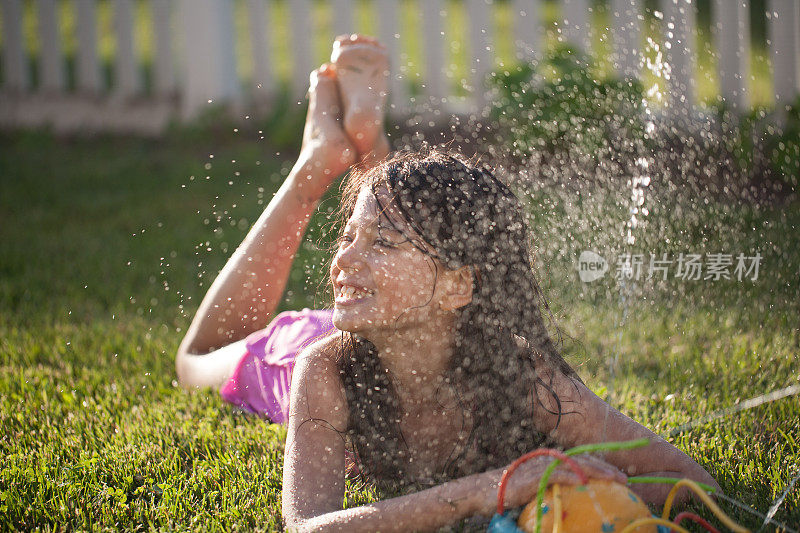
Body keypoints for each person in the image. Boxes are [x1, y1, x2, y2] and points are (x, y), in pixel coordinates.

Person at [176, 34, 720, 531]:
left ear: (463, 287)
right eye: (346, 237)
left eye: (380, 244)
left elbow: (690, 483)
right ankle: (319, 161)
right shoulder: (322, 371)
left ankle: (368, 152)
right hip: (295, 347)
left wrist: (610, 490)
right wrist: (489, 490)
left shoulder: (521, 375)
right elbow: (306, 529)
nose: (339, 258)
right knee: (195, 360)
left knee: (398, 227)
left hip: (390, 307)